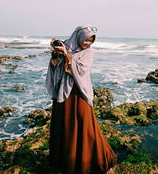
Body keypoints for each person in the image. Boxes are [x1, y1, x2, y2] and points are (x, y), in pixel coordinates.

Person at [45, 25, 117, 174]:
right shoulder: (67, 45)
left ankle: (87, 160)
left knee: (85, 125)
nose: (87, 43)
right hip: (63, 93)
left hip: (79, 93)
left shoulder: (89, 52)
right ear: (79, 37)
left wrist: (66, 54)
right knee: (63, 125)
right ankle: (63, 161)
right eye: (86, 40)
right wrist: (56, 55)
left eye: (90, 41)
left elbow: (81, 70)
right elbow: (55, 67)